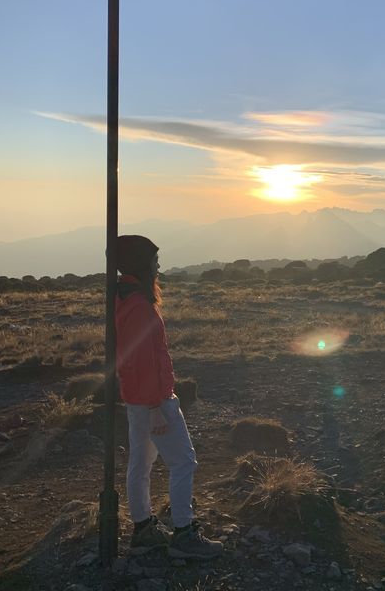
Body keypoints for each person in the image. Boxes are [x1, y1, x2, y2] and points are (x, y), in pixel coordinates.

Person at [115, 234, 223, 559]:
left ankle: (143, 528)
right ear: (140, 263)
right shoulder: (137, 305)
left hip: (139, 399)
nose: (158, 265)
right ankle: (184, 535)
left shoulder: (125, 297)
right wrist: (155, 408)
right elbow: (142, 361)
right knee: (183, 462)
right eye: (153, 260)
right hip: (153, 401)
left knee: (141, 462)